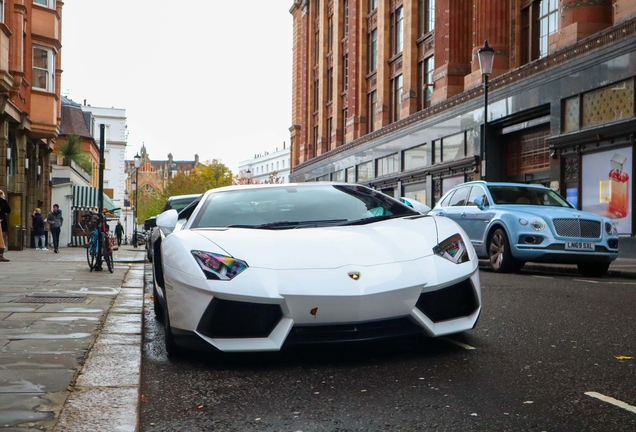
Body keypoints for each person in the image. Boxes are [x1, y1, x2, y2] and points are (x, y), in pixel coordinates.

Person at [0, 190, 10, 262]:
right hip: (2, 222)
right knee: (1, 239)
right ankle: (1, 255)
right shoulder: (2, 201)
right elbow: (8, 210)